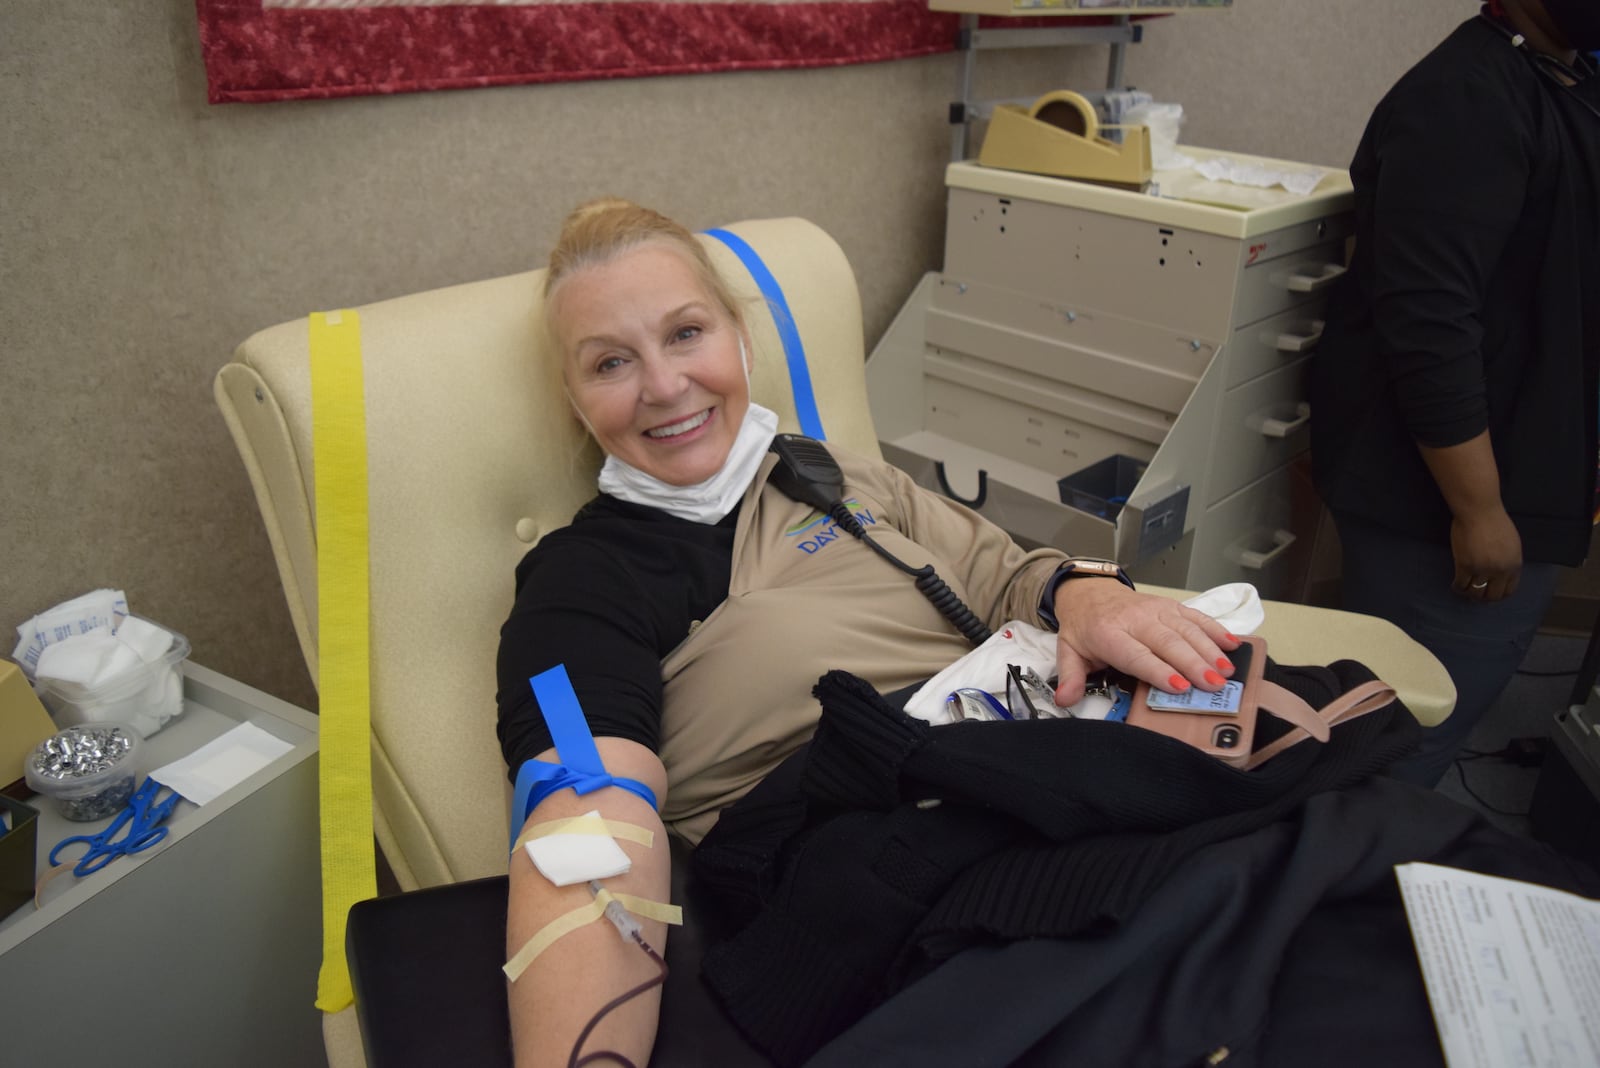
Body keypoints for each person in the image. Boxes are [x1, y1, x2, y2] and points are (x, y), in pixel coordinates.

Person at [494, 197, 1242, 1066]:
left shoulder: (828, 471)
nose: (663, 386)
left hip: (1048, 766)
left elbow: (1003, 574)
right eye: (612, 362)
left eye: (687, 333)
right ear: (574, 397)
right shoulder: (584, 578)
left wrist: (1089, 594)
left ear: (738, 334)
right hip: (888, 850)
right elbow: (586, 806)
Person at [1309, 0, 1600, 787]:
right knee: (1402, 742)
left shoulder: (1562, 79)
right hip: (1446, 505)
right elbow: (1429, 324)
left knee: (1437, 720)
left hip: (1526, 464)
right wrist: (1479, 512)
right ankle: (1344, 887)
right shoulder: (1466, 99)